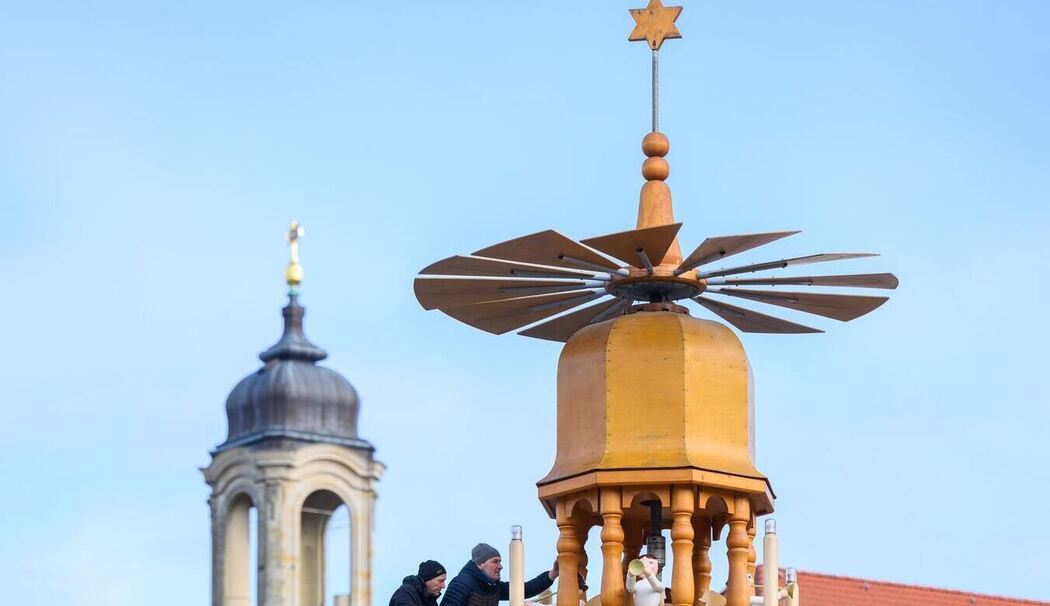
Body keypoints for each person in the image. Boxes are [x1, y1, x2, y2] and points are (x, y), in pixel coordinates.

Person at [441, 543, 559, 606]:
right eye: (495, 561)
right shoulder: (462, 583)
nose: (500, 566)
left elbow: (525, 589)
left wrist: (552, 574)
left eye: (500, 561)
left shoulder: (494, 587)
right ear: (480, 564)